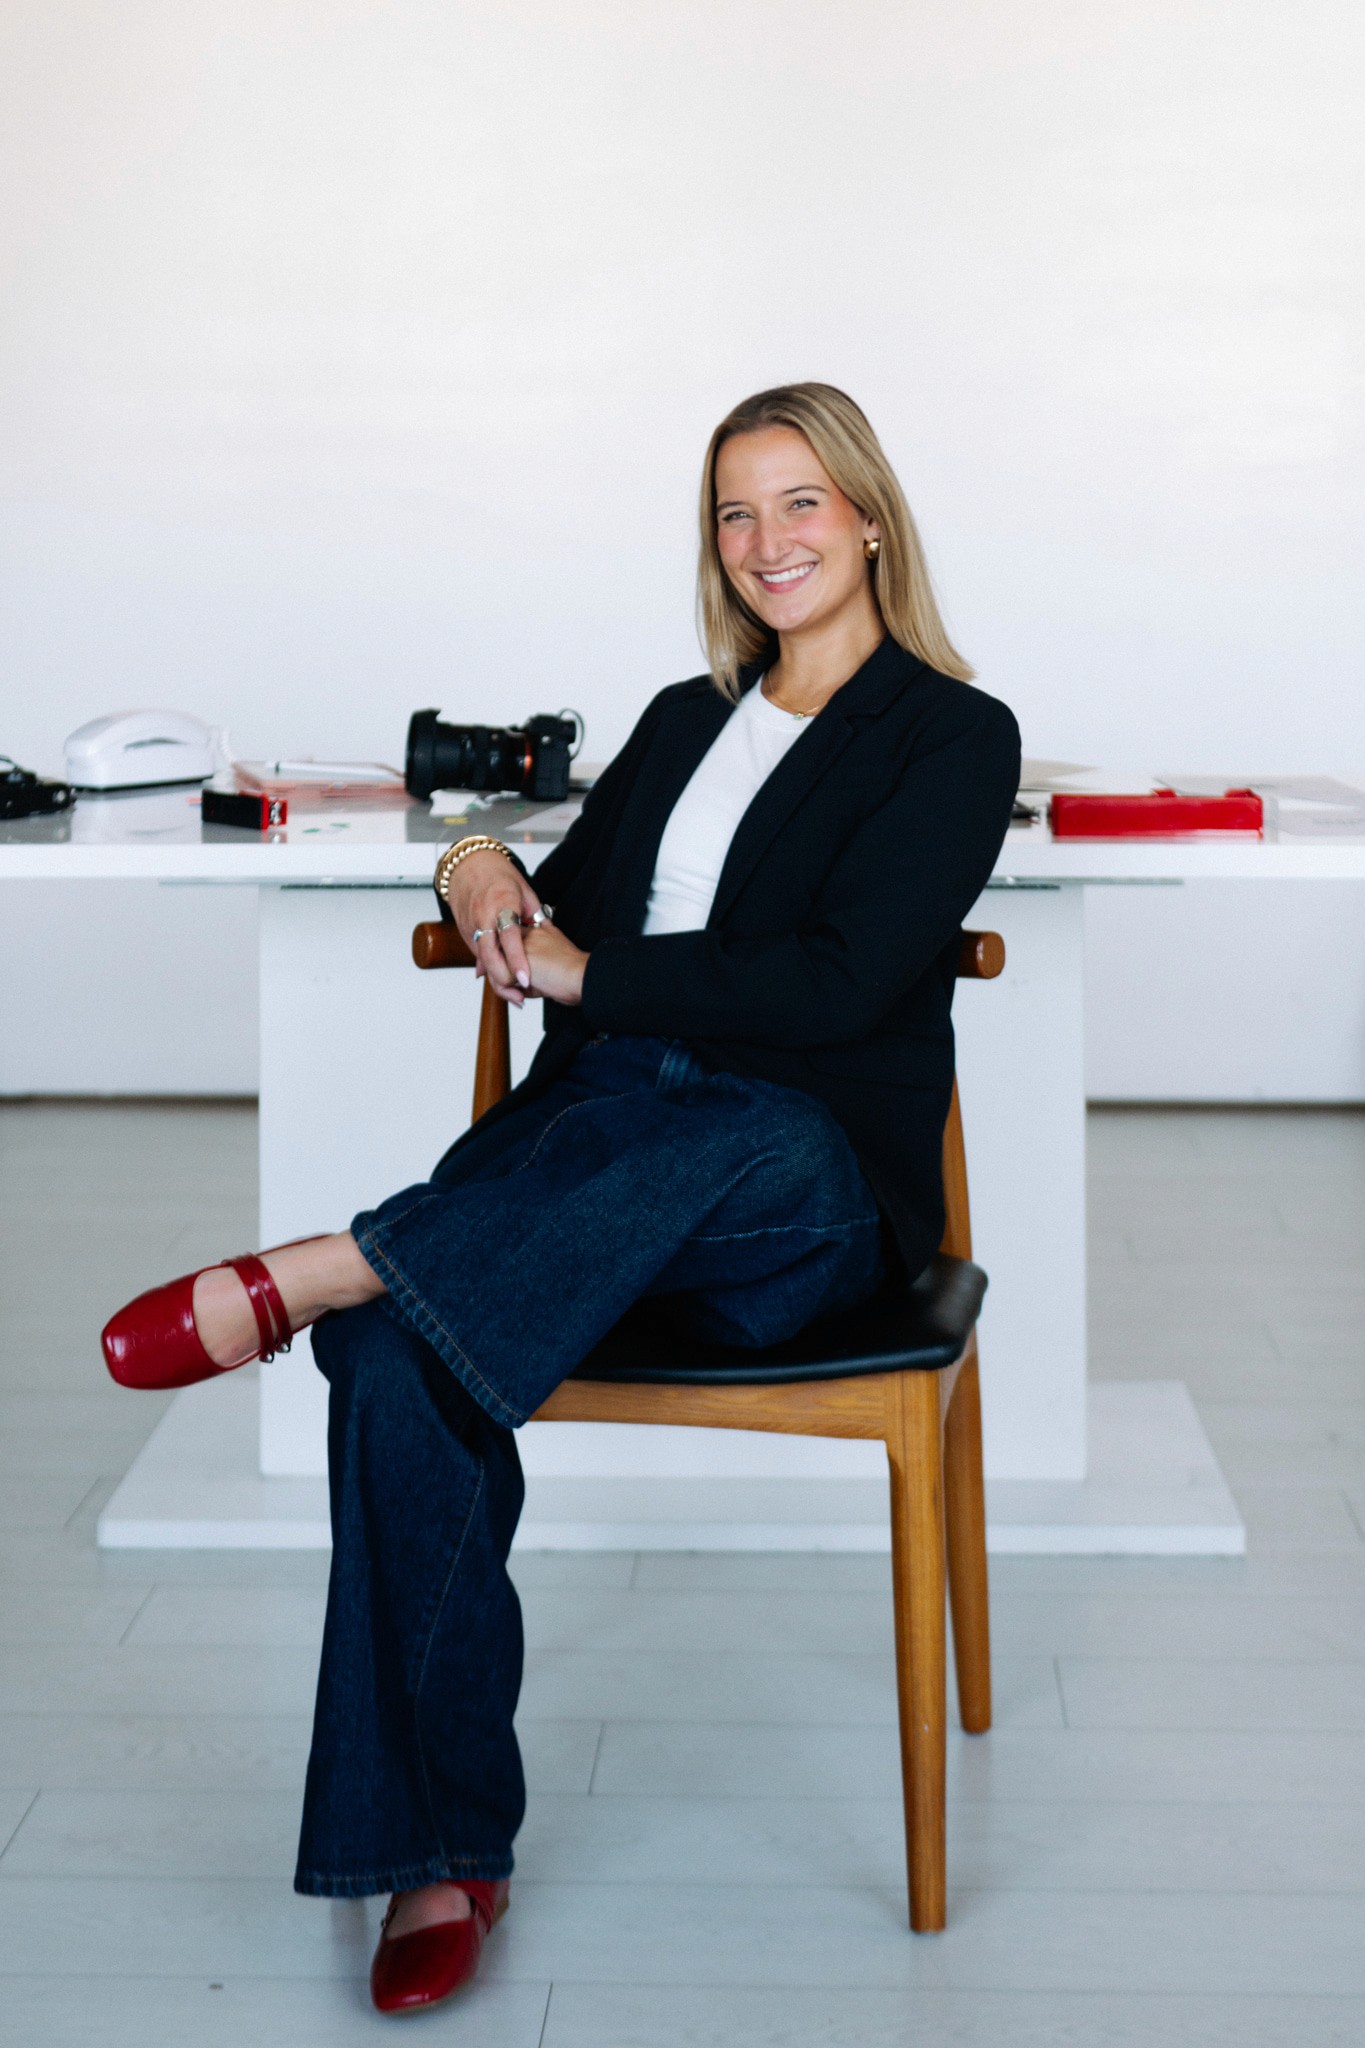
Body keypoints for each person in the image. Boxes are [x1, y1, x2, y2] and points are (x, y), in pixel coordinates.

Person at [101, 382, 1020, 2016]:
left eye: (799, 503)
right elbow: (551, 906)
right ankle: (437, 1851)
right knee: (397, 1362)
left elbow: (840, 984)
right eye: (735, 513)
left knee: (724, 1133)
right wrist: (471, 868)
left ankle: (332, 1262)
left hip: (788, 1191)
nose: (767, 542)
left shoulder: (950, 734)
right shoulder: (683, 717)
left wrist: (600, 971)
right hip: (581, 1158)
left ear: (868, 517)